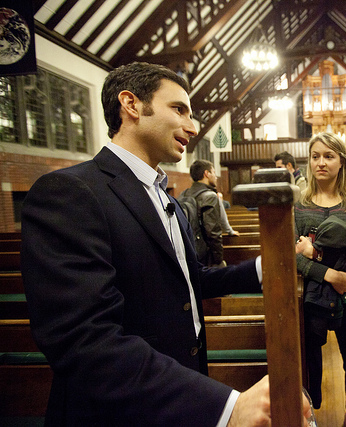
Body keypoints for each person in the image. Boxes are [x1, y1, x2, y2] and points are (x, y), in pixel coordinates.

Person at [20, 62, 310, 426]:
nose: (192, 126)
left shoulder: (167, 198)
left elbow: (189, 282)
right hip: (116, 412)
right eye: (179, 109)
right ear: (132, 105)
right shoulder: (70, 192)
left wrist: (266, 267)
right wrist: (225, 406)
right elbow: (84, 341)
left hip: (177, 394)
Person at [294, 132, 346, 427]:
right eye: (315, 156)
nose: (321, 162)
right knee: (311, 363)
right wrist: (329, 273)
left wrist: (313, 252)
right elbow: (292, 257)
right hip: (311, 300)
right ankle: (310, 414)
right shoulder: (299, 204)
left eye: (329, 156)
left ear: (342, 162)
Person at [180, 159, 227, 267]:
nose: (216, 177)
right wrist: (218, 259)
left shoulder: (183, 194)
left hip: (188, 252)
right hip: (204, 256)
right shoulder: (209, 197)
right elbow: (213, 232)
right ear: (206, 174)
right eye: (214, 172)